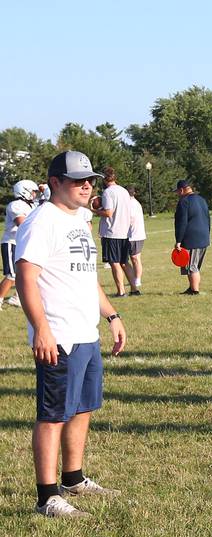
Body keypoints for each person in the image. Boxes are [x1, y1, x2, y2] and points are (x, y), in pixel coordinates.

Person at [15, 151, 126, 517]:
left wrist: (111, 315)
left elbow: (86, 277)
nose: (87, 185)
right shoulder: (41, 220)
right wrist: (42, 330)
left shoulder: (79, 218)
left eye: (89, 179)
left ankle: (73, 478)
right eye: (78, 180)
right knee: (53, 414)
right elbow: (25, 278)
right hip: (59, 335)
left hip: (86, 332)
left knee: (82, 407)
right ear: (55, 184)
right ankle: (47, 496)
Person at [94, 167, 132, 298]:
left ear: (104, 179)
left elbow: (109, 212)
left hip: (112, 232)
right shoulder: (124, 191)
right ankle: (134, 288)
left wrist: (95, 211)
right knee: (124, 262)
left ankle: (121, 291)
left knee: (114, 262)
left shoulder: (108, 192)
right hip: (124, 231)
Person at [2, 179, 39, 308]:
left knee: (26, 272)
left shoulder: (32, 206)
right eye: (33, 192)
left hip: (24, 243)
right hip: (12, 242)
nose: (35, 195)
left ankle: (17, 298)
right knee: (11, 276)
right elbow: (22, 224)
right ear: (25, 191)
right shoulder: (15, 205)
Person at [173, 179, 210, 295]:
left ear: (182, 190)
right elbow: (208, 218)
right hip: (203, 237)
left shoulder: (184, 202)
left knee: (191, 267)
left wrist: (178, 240)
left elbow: (182, 222)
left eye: (178, 192)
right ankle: (191, 288)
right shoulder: (201, 199)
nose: (178, 195)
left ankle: (194, 291)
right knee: (194, 266)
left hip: (191, 239)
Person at [124, 188, 145, 295]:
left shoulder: (131, 203)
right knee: (134, 258)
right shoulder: (133, 203)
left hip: (134, 235)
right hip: (135, 234)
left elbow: (129, 218)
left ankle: (137, 279)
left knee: (135, 258)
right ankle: (135, 279)